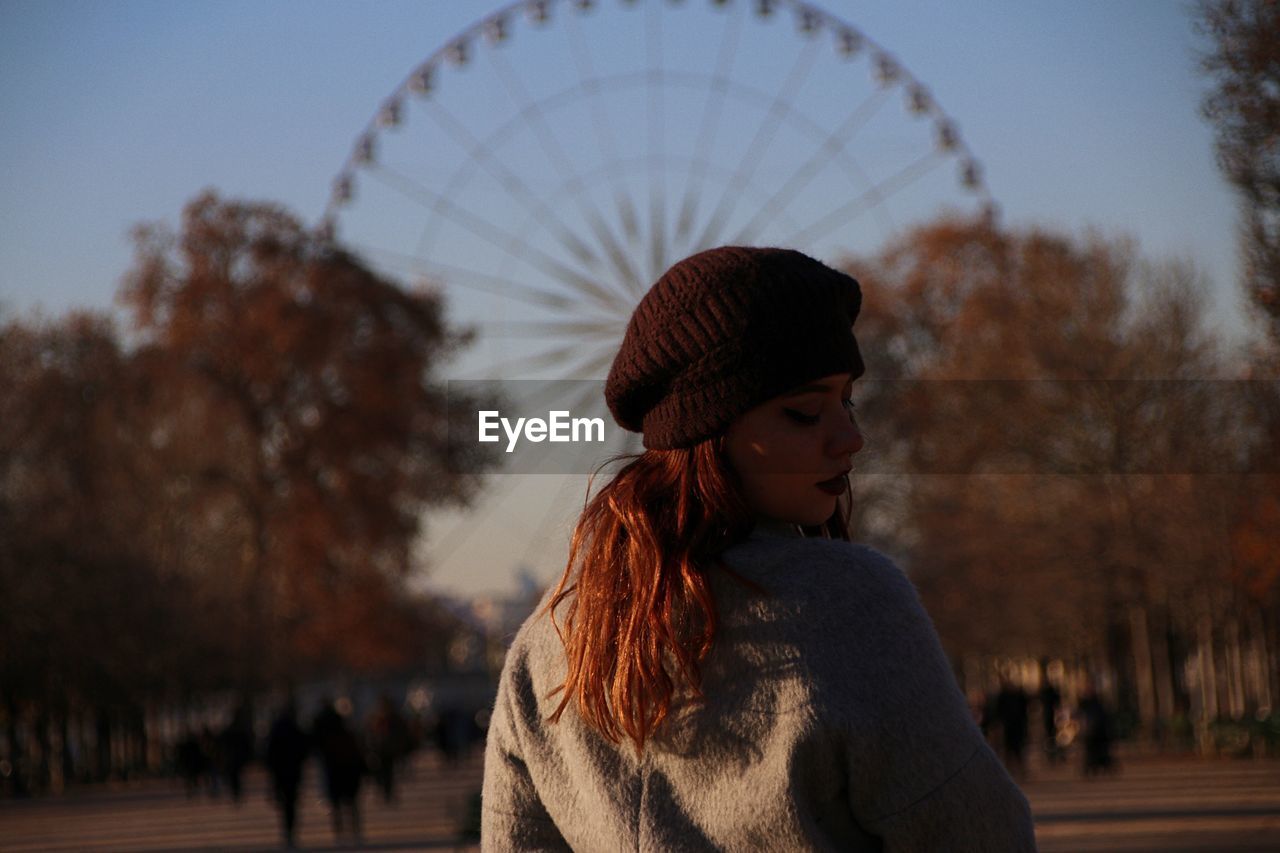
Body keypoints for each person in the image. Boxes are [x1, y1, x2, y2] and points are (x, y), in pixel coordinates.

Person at [481, 247, 1036, 851]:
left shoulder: (548, 644)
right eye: (805, 412)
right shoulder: (851, 604)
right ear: (711, 434)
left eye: (846, 401)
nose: (851, 438)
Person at [313, 699, 366, 842]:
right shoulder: (347, 735)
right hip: (348, 772)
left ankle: (339, 829)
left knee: (336, 803)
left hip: (334, 771)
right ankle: (355, 829)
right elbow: (357, 754)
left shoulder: (327, 740)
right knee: (352, 803)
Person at [265, 700, 309, 849]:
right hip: (293, 770)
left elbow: (269, 752)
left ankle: (287, 829)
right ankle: (290, 829)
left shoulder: (276, 729)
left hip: (280, 771)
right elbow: (304, 747)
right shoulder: (295, 728)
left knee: (285, 801)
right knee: (291, 801)